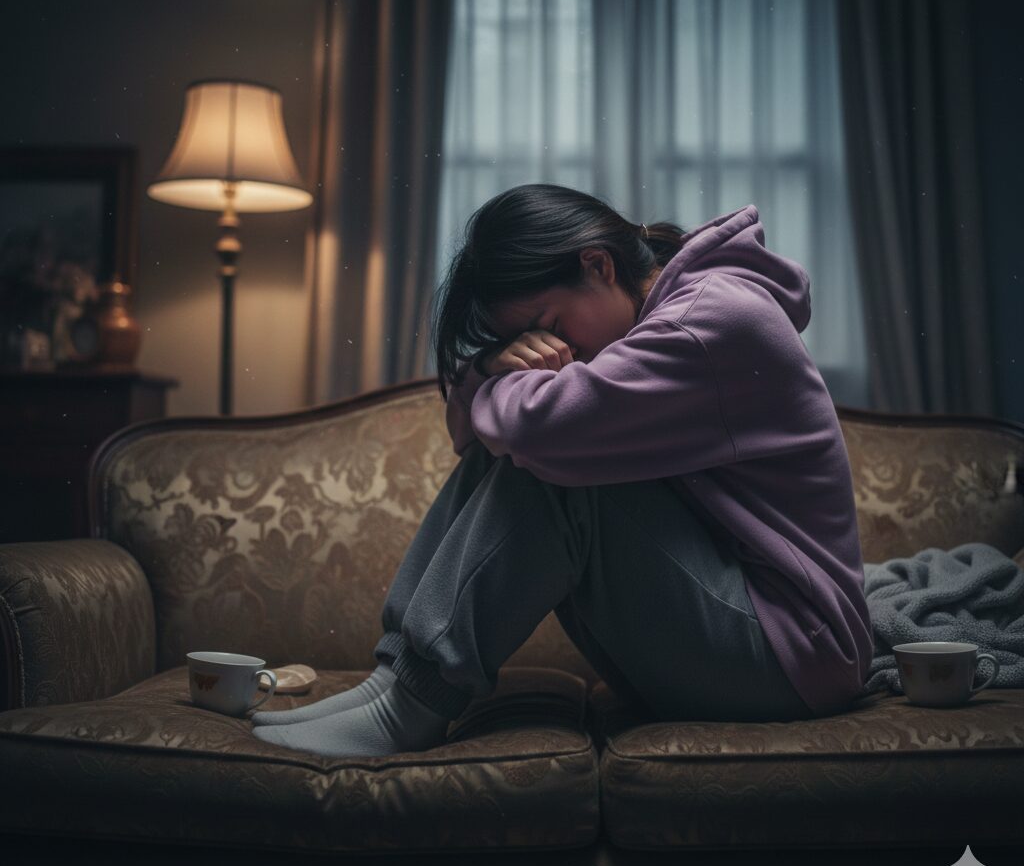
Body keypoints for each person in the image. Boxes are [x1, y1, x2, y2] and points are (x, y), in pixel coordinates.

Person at [252, 183, 873, 758]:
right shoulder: (664, 312)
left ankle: (409, 708)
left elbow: (542, 431)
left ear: (598, 266)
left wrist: (498, 376)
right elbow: (474, 439)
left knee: (557, 467)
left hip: (792, 657)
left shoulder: (710, 321)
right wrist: (498, 368)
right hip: (740, 635)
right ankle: (395, 685)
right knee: (528, 453)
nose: (556, 353)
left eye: (546, 327)